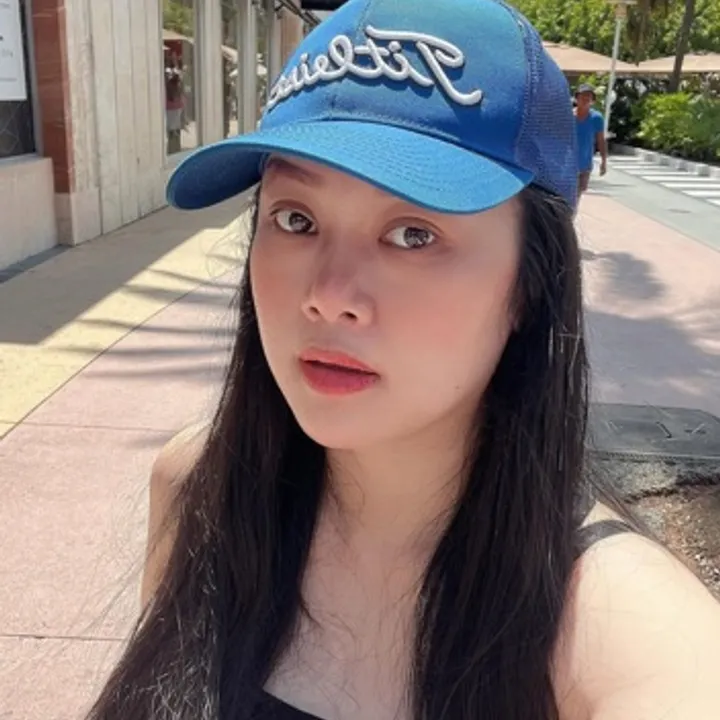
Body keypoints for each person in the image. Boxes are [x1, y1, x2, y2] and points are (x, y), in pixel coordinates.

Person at [87, 2, 720, 719]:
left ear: (531, 284)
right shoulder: (198, 488)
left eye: (414, 234)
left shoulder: (619, 630)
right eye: (296, 219)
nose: (329, 297)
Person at [574, 83, 607, 196]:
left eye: (589, 96)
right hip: (567, 164)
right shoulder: (568, 116)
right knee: (566, 196)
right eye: (583, 96)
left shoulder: (596, 118)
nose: (585, 99)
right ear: (577, 98)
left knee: (578, 194)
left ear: (592, 100)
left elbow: (601, 140)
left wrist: (604, 161)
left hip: (585, 164)